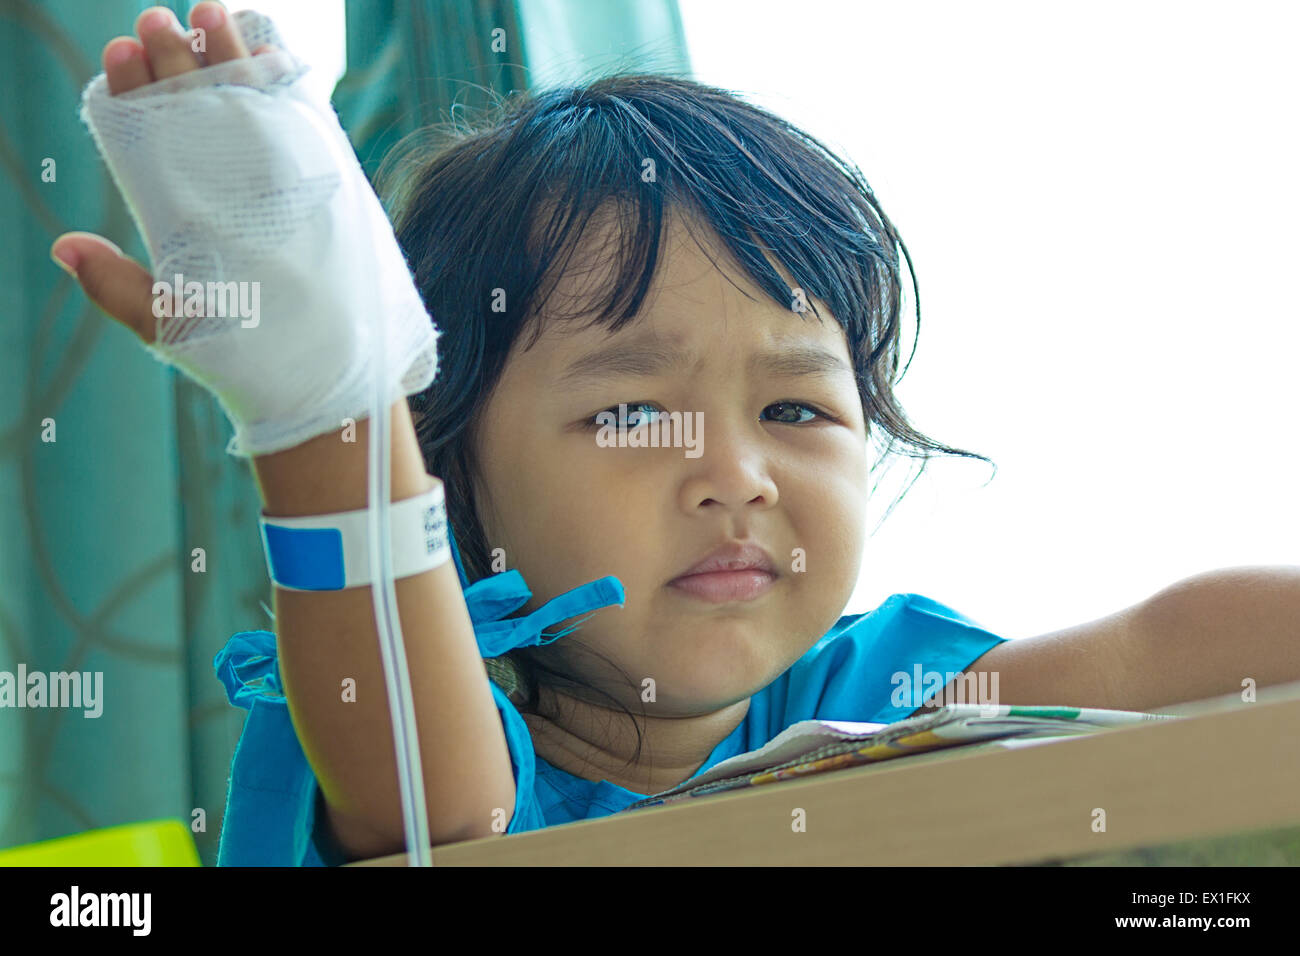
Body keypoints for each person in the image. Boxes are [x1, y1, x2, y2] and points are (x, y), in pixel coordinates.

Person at [55, 4, 1300, 867]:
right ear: (450, 470)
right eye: (630, 411)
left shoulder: (888, 704)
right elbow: (448, 815)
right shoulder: (408, 699)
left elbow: (1168, 646)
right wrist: (324, 403)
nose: (735, 477)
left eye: (795, 408)